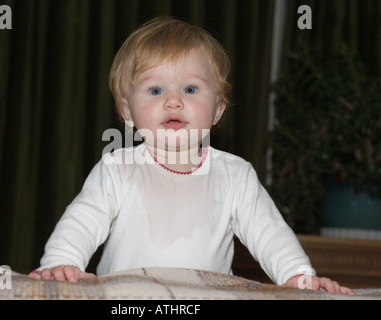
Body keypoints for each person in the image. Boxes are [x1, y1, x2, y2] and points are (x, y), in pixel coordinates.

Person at [28, 17, 354, 295]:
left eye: (190, 89)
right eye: (156, 90)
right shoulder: (118, 168)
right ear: (128, 111)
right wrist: (62, 263)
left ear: (217, 110)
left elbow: (271, 234)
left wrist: (298, 276)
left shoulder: (235, 176)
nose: (173, 102)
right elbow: (83, 222)